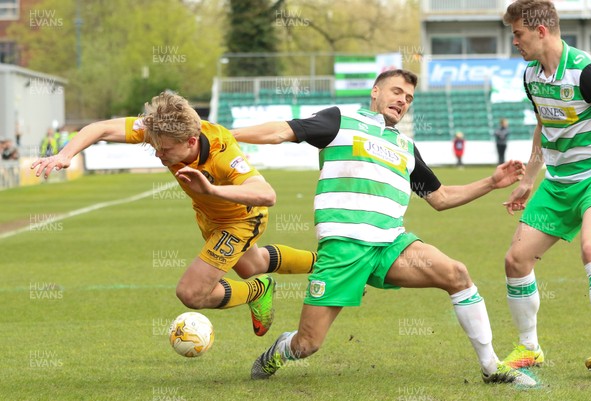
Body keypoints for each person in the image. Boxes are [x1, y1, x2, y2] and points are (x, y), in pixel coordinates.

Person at [232, 69, 536, 386]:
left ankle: (492, 367)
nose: (402, 101)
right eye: (396, 92)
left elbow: (441, 197)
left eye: (408, 98)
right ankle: (282, 349)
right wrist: (227, 137)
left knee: (457, 274)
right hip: (344, 249)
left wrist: (491, 182)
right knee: (307, 344)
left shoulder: (405, 147)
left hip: (392, 246)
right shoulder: (340, 122)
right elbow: (282, 131)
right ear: (375, 92)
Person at [31, 92, 317, 337]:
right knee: (251, 265)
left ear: (192, 141)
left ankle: (259, 290)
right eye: (155, 147)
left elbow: (267, 195)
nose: (159, 155)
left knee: (191, 293)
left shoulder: (223, 153)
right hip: (209, 216)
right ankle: (325, 263)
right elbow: (102, 128)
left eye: (165, 150)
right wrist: (65, 155)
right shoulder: (162, 129)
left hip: (240, 219)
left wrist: (212, 191)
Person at [501, 0, 591, 374]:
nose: (515, 41)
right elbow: (544, 124)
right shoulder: (531, 76)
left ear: (541, 31)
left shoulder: (587, 73)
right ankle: (529, 349)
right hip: (557, 183)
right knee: (516, 260)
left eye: (518, 33)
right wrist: (529, 178)